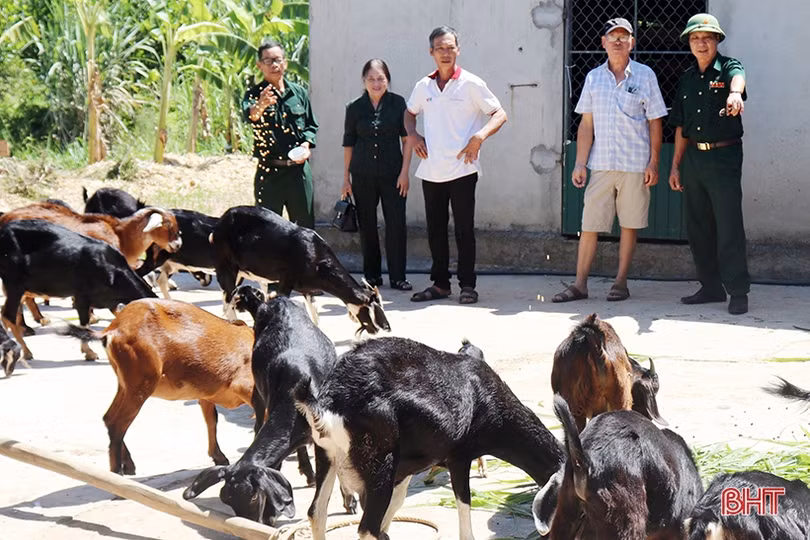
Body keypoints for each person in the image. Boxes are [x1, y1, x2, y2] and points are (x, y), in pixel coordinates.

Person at [552, 17, 666, 303]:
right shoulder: (593, 77)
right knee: (589, 223)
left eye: (623, 36)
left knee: (629, 223)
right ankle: (579, 284)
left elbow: (655, 122)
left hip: (634, 163)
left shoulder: (645, 75)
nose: (617, 41)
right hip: (601, 163)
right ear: (603, 42)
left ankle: (621, 282)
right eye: (612, 36)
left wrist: (653, 162)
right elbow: (586, 124)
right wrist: (580, 162)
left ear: (632, 42)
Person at [405, 26, 507, 305]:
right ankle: (439, 284)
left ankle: (467, 285)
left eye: (450, 47)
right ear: (432, 53)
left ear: (458, 50)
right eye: (440, 48)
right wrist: (413, 135)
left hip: (463, 168)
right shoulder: (423, 86)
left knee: (464, 230)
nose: (446, 53)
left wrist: (479, 136)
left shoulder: (472, 83)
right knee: (435, 230)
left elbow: (499, 114)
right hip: (431, 169)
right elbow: (409, 113)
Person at [668, 14, 750, 315]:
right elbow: (680, 127)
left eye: (707, 38)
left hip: (724, 157)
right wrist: (675, 166)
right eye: (695, 38)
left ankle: (738, 290)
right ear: (689, 43)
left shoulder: (729, 68)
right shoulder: (687, 79)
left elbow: (738, 80)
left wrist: (733, 93)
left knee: (728, 225)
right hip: (693, 158)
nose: (701, 43)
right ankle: (711, 287)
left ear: (716, 41)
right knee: (698, 225)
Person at [342, 59, 412, 291]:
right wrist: (346, 179)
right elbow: (349, 143)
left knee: (396, 224)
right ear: (364, 81)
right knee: (367, 224)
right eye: (371, 79)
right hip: (362, 175)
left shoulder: (398, 103)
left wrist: (405, 173)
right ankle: (371, 275)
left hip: (393, 175)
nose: (376, 83)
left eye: (380, 78)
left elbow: (407, 140)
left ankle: (398, 276)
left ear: (387, 80)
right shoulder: (354, 107)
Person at [242, 40, 318, 229]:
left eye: (277, 60)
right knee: (267, 230)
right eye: (268, 61)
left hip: (298, 173)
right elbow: (251, 115)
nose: (274, 65)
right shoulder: (254, 94)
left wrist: (306, 146)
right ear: (260, 66)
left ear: (285, 63)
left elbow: (311, 125)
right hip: (269, 173)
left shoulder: (298, 93)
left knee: (304, 230)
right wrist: (261, 104)